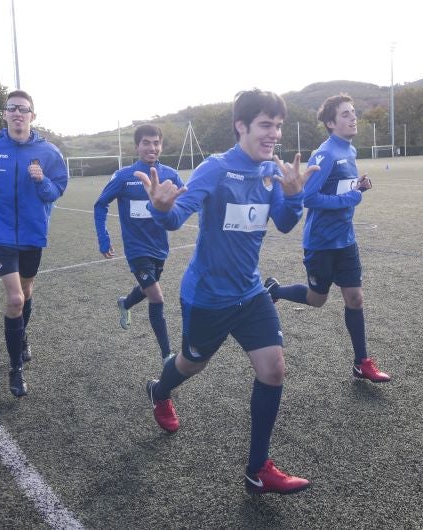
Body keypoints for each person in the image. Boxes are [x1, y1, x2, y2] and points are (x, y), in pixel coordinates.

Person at [135, 89, 319, 494]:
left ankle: (258, 470)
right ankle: (159, 390)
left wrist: (293, 194)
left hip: (251, 293)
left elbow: (285, 223)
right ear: (242, 126)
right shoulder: (216, 168)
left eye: (278, 126)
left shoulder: (270, 171)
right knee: (189, 364)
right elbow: (178, 215)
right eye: (266, 125)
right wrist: (162, 208)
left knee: (273, 369)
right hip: (208, 298)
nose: (274, 134)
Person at [263, 93, 391, 383]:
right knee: (316, 299)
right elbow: (309, 197)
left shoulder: (350, 151)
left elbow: (340, 191)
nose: (353, 117)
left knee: (355, 298)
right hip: (321, 243)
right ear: (331, 123)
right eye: (345, 114)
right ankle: (275, 290)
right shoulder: (326, 154)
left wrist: (358, 187)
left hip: (346, 240)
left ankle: (362, 363)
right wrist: (353, 196)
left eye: (353, 111)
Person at [0, 90, 68, 397]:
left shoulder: (49, 152)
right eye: (12, 108)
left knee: (26, 293)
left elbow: (56, 191)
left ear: (32, 116)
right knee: (14, 300)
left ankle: (21, 338)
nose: (17, 113)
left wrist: (42, 181)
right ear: (5, 114)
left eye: (23, 109)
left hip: (32, 234)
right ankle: (16, 369)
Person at [93, 124, 183, 365]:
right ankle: (167, 356)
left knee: (147, 289)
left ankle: (125, 303)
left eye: (156, 143)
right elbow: (100, 204)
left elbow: (187, 202)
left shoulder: (171, 175)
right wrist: (104, 238)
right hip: (136, 249)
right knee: (156, 296)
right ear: (137, 146)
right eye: (146, 143)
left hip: (160, 248)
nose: (152, 148)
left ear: (161, 146)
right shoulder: (124, 176)